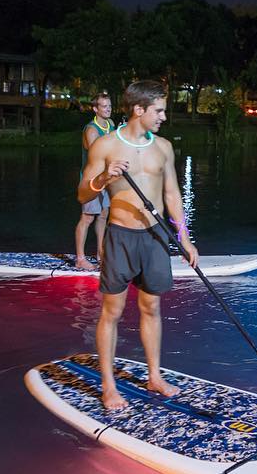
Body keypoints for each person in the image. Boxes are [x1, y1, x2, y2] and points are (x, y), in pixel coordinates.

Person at [78, 80, 198, 410]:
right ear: (139, 110)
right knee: (112, 312)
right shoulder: (104, 146)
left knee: (152, 307)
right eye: (158, 110)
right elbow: (82, 194)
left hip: (156, 237)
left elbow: (172, 194)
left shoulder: (163, 147)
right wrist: (103, 179)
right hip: (121, 237)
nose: (163, 116)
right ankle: (108, 385)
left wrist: (185, 239)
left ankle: (155, 376)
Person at [74, 92, 114, 269]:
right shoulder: (91, 130)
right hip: (91, 180)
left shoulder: (111, 124)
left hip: (106, 177)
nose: (108, 109)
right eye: (104, 106)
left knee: (104, 215)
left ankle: (100, 252)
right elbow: (96, 156)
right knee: (87, 217)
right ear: (95, 109)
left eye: (110, 106)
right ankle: (80, 259)